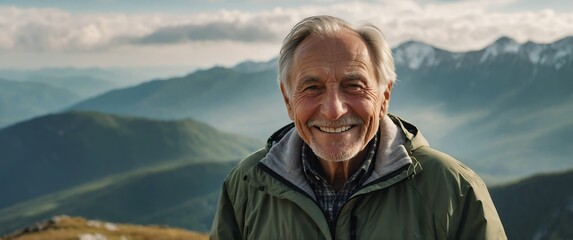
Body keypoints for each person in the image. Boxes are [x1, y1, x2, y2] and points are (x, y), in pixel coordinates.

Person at [210, 15, 506, 239]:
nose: (334, 110)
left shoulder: (454, 191)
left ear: (384, 96)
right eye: (312, 87)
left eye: (354, 85)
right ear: (288, 101)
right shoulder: (246, 187)